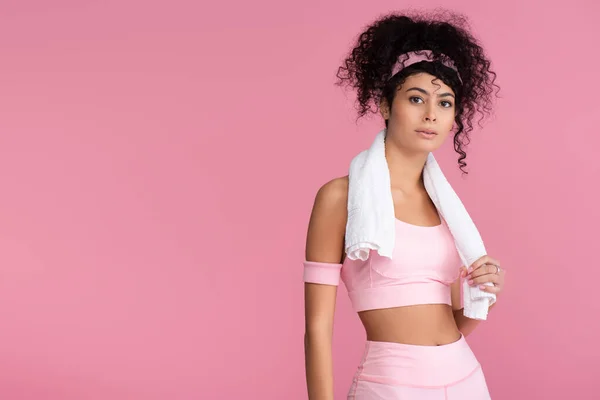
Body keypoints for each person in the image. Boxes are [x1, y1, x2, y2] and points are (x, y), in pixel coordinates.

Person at [303, 11, 507, 400]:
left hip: (466, 379)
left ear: (454, 120)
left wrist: (484, 297)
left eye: (445, 103)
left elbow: (447, 324)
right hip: (392, 385)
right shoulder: (342, 198)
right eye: (416, 98)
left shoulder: (445, 208)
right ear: (384, 105)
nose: (431, 113)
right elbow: (317, 329)